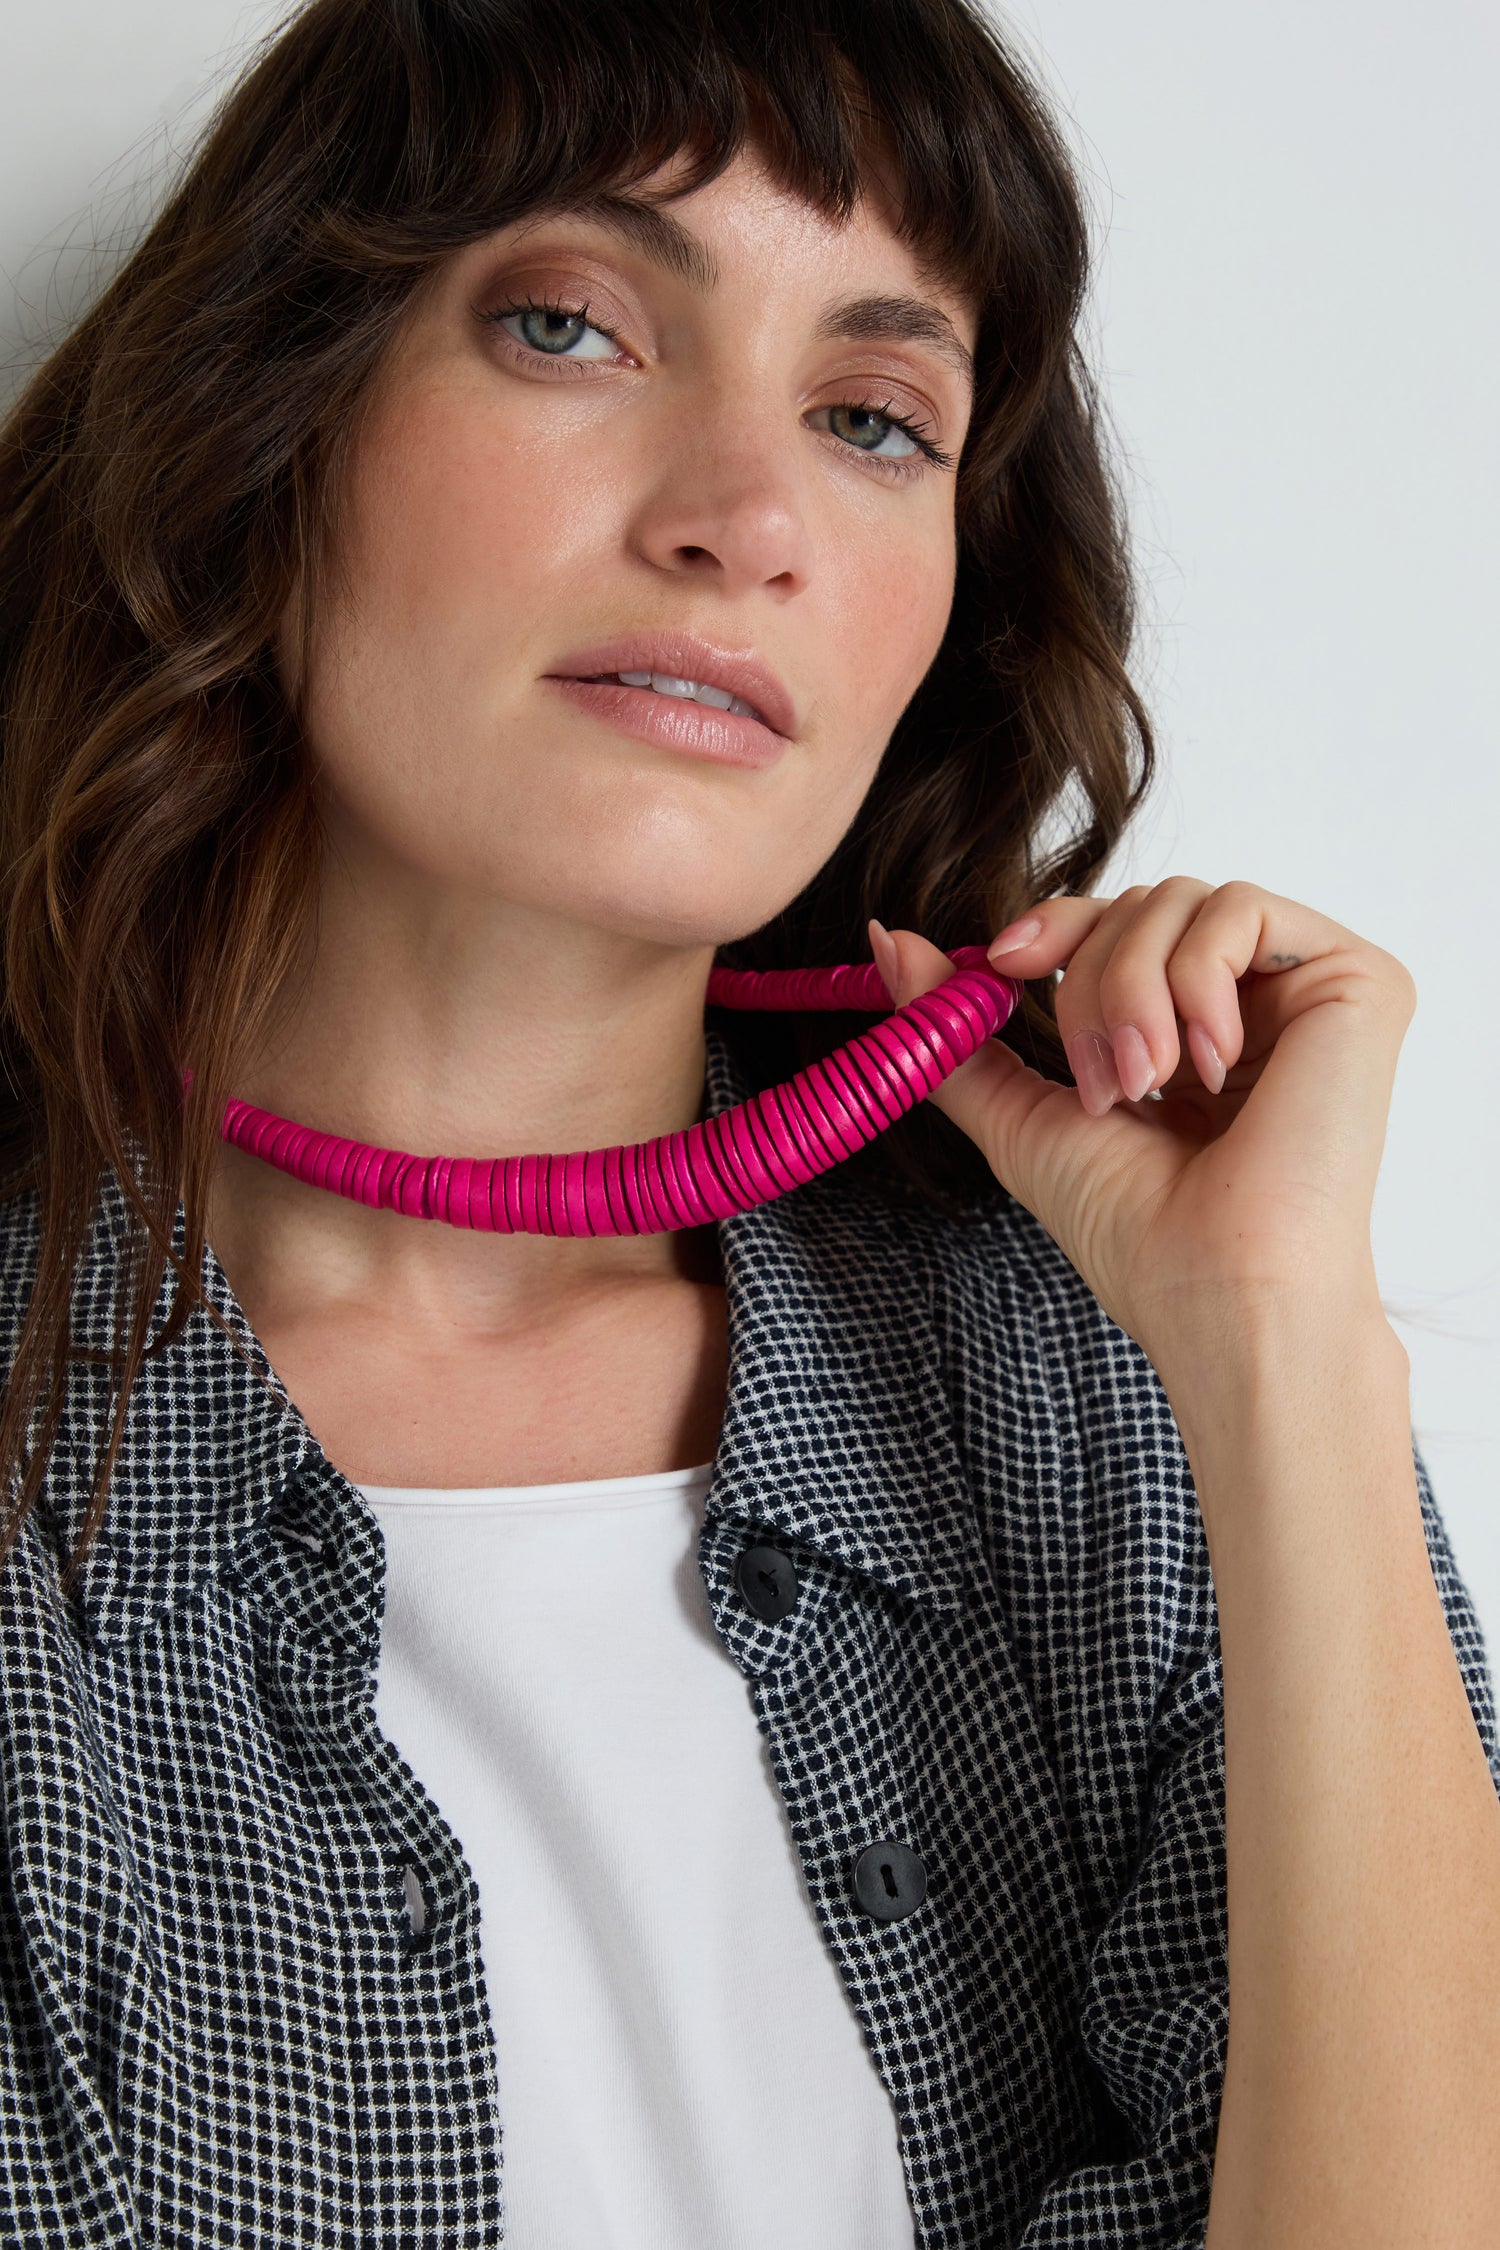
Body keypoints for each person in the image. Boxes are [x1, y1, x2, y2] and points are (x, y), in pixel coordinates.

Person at [1, 0, 1497, 2243]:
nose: (749, 520)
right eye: (571, 325)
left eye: (876, 419)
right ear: (269, 421)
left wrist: (1290, 1351)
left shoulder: (1116, 1383)